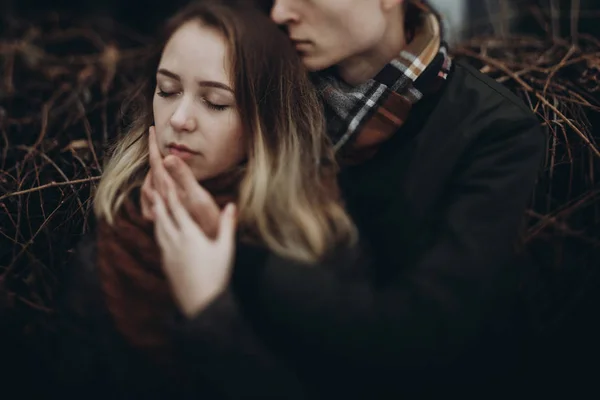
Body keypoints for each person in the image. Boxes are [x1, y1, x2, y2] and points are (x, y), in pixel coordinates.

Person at [144, 0, 548, 397]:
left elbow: (425, 332)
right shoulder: (266, 82)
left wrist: (234, 260)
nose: (280, 12)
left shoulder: (494, 132)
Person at [48, 1, 357, 398]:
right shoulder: (115, 229)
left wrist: (209, 310)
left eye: (215, 101)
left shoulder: (314, 240)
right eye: (168, 90)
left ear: (268, 122)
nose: (179, 118)